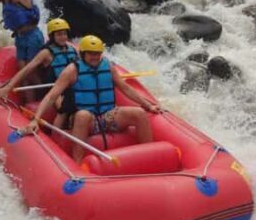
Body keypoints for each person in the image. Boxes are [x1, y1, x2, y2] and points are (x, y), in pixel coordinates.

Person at [25, 34, 161, 163]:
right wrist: (36, 120)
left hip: (107, 115)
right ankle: (77, 163)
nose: (95, 57)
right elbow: (51, 96)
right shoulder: (72, 70)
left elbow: (125, 88)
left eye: (97, 53)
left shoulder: (108, 66)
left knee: (139, 113)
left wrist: (148, 105)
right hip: (86, 118)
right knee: (82, 115)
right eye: (91, 53)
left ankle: (150, 157)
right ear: (83, 54)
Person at [0, 18, 78, 127]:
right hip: (55, 89)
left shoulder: (73, 50)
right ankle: (62, 130)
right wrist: (8, 87)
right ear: (52, 36)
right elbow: (27, 69)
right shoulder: (46, 53)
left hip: (73, 86)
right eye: (59, 34)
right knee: (64, 107)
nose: (63, 37)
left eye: (64, 34)